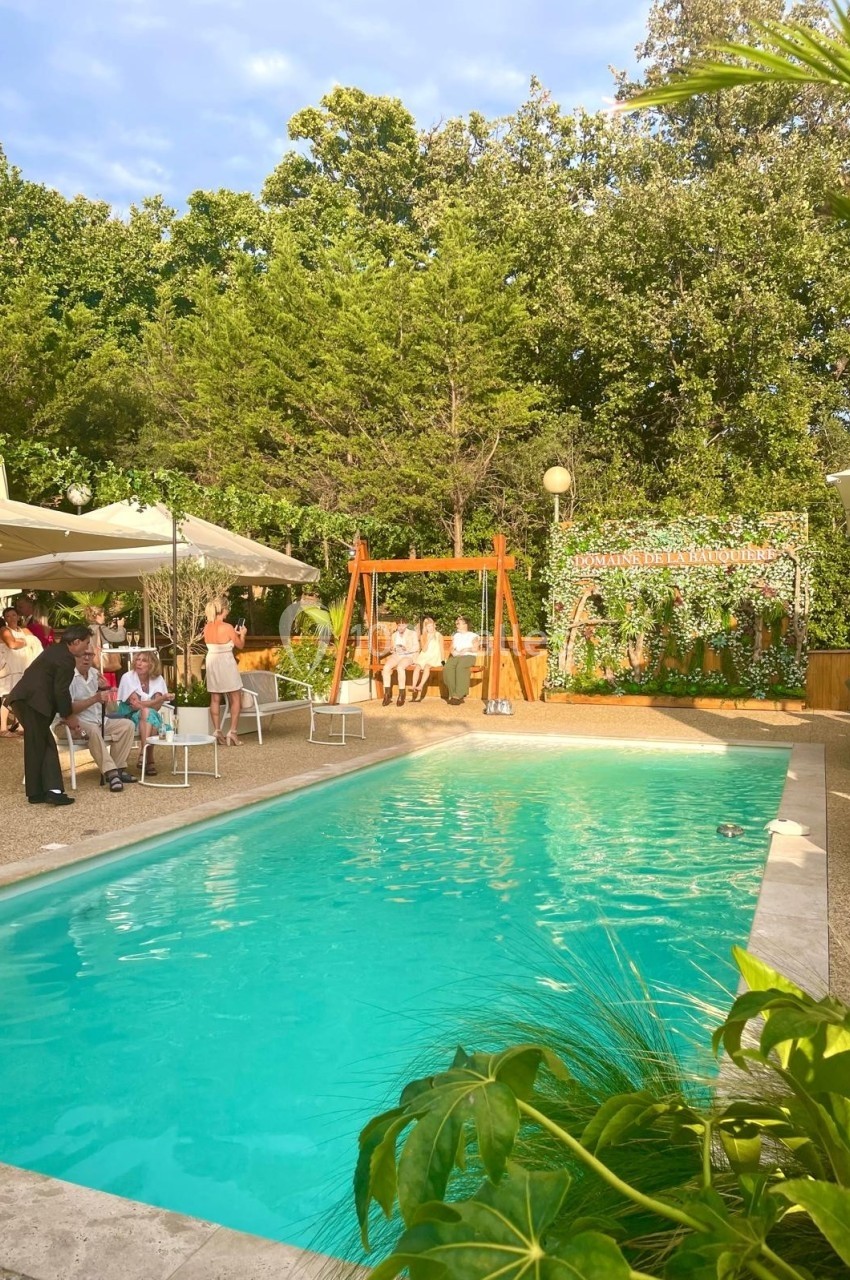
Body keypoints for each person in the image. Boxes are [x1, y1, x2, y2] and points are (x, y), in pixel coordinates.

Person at [7, 624, 91, 805]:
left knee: (37, 745)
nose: (87, 648)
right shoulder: (66, 659)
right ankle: (53, 791)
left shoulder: (55, 651)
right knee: (46, 745)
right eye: (86, 643)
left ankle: (36, 793)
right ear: (76, 642)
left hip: (23, 699)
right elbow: (60, 691)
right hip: (34, 703)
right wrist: (69, 716)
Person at [66, 645, 136, 791]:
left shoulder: (95, 674)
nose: (86, 658)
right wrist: (95, 698)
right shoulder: (69, 676)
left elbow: (111, 709)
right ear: (75, 655)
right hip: (76, 723)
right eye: (83, 654)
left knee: (127, 725)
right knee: (92, 729)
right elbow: (67, 709)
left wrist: (106, 689)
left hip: (99, 720)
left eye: (90, 655)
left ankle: (118, 768)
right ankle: (111, 772)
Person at [116, 652, 172, 777]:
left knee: (148, 713)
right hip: (129, 717)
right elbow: (135, 704)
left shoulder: (158, 679)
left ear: (151, 664)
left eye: (144, 661)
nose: (139, 663)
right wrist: (159, 698)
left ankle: (143, 753)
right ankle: (149, 759)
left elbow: (156, 707)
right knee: (148, 714)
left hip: (148, 717)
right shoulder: (128, 677)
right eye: (137, 660)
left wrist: (145, 704)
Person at [203, 597, 247, 746]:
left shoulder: (207, 627)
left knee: (215, 697)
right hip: (226, 662)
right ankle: (232, 732)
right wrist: (242, 634)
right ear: (223, 609)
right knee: (235, 696)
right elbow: (240, 645)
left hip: (212, 661)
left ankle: (217, 731)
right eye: (228, 609)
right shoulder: (227, 627)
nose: (228, 611)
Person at [0, 604, 43, 734]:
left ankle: (20, 725)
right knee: (7, 696)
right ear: (5, 618)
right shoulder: (4, 630)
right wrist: (24, 642)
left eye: (13, 615)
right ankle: (3, 728)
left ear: (18, 616)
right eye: (8, 616)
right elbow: (12, 644)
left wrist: (22, 641)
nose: (11, 618)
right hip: (10, 667)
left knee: (21, 697)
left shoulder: (24, 630)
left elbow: (36, 644)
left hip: (23, 667)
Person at [380, 618, 420, 706]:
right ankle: (387, 694)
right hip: (397, 655)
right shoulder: (394, 635)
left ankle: (401, 694)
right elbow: (392, 648)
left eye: (402, 625)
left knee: (400, 667)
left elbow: (417, 647)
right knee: (386, 668)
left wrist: (407, 648)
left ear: (406, 625)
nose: (400, 627)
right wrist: (392, 649)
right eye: (399, 625)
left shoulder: (412, 633)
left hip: (409, 655)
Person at [442, 616, 481, 705]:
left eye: (458, 623)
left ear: (465, 625)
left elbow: (475, 649)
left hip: (468, 656)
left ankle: (459, 695)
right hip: (457, 656)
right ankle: (453, 694)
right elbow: (451, 647)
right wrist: (453, 651)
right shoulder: (456, 635)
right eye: (456, 624)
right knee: (447, 667)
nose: (457, 625)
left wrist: (466, 649)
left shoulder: (473, 635)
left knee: (461, 667)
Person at [86, 605, 127, 687]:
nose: (104, 617)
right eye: (103, 614)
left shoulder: (89, 628)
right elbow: (119, 637)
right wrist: (120, 626)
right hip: (105, 665)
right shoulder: (101, 628)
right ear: (97, 616)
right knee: (108, 691)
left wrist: (109, 629)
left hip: (93, 665)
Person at [408, 616, 444, 704]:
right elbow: (423, 650)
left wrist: (443, 661)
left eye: (431, 626)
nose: (430, 628)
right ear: (425, 628)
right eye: (428, 627)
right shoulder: (423, 636)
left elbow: (442, 648)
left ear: (434, 625)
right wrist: (428, 640)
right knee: (417, 667)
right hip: (425, 655)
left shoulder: (439, 635)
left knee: (427, 666)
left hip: (434, 656)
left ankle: (420, 686)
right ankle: (413, 686)